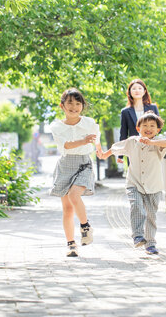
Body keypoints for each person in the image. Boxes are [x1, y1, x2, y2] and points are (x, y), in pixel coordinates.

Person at [98, 111, 166, 255]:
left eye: (152, 126)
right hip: (134, 183)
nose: (148, 128)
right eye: (144, 125)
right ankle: (138, 236)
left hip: (154, 186)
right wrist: (104, 155)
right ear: (138, 129)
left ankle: (150, 243)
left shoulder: (159, 141)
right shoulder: (132, 141)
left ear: (158, 130)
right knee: (136, 206)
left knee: (151, 215)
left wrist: (151, 142)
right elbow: (115, 148)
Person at [49, 88, 102, 257]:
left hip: (83, 163)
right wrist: (83, 140)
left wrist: (101, 151)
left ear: (82, 106)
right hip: (65, 165)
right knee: (67, 209)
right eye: (70, 103)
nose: (74, 107)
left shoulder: (89, 123)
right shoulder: (56, 126)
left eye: (78, 103)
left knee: (74, 196)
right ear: (62, 106)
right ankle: (71, 244)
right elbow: (65, 145)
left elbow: (97, 141)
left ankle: (85, 226)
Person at [118, 79, 159, 164]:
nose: (137, 90)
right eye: (134, 88)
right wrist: (120, 155)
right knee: (135, 174)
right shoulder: (125, 112)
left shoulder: (153, 108)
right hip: (134, 147)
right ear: (129, 92)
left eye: (140, 88)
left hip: (151, 146)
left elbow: (159, 127)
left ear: (144, 91)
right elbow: (123, 133)